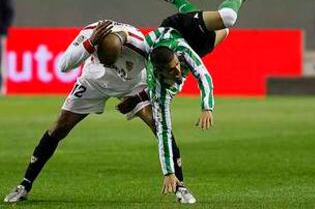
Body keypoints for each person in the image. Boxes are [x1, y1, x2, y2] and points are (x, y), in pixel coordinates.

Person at [4, 20, 195, 204]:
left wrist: (138, 98)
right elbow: (63, 66)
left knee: (159, 124)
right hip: (94, 81)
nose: (108, 64)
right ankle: (24, 185)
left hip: (133, 85)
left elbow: (164, 83)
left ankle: (181, 186)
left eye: (111, 61)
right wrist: (90, 42)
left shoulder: (142, 47)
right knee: (59, 126)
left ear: (122, 49)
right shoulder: (90, 33)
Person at [140, 0, 268, 194]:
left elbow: (203, 75)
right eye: (173, 71)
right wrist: (168, 172)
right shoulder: (158, 92)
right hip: (189, 44)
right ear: (160, 73)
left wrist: (206, 106)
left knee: (227, 18)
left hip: (177, 29)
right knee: (224, 32)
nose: (178, 71)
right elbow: (163, 131)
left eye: (176, 66)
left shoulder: (181, 51)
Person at [0, 0, 15, 94]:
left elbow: (9, 11)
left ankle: (1, 87)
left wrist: (4, 29)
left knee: (1, 60)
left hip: (0, 32)